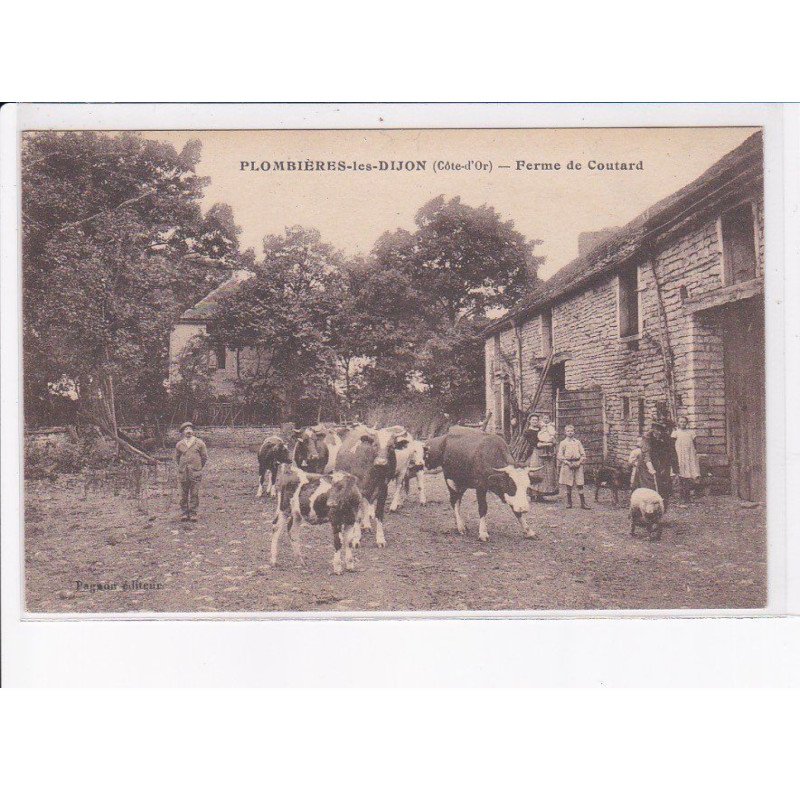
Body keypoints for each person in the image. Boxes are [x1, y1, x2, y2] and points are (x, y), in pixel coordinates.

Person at [175, 421, 208, 522]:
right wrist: (182, 467)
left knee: (194, 493)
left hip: (195, 472)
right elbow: (177, 458)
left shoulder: (199, 443)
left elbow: (204, 457)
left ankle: (193, 513)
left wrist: (197, 467)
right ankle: (184, 513)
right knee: (183, 494)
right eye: (185, 430)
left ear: (193, 431)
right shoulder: (179, 444)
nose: (188, 431)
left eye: (190, 429)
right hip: (183, 473)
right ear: (182, 433)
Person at [557, 424, 590, 509]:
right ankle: (569, 502)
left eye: (571, 431)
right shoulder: (563, 443)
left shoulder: (577, 442)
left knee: (580, 483)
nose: (570, 433)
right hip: (568, 464)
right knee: (569, 484)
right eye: (568, 431)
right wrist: (567, 462)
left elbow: (583, 454)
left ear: (574, 432)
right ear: (565, 432)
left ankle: (583, 503)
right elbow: (560, 455)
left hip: (578, 464)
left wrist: (579, 462)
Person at [646, 420, 674, 511]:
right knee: (649, 487)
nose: (658, 432)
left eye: (661, 430)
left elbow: (671, 453)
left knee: (663, 487)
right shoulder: (647, 438)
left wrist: (673, 468)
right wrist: (651, 468)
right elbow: (647, 455)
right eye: (656, 429)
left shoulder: (666, 439)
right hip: (647, 465)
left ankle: (661, 508)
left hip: (662, 465)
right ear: (653, 429)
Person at [672, 416, 700, 502]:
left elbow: (695, 444)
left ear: (687, 423)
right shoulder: (675, 433)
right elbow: (672, 445)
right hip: (679, 455)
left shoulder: (691, 433)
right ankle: (681, 496)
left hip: (689, 456)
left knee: (688, 475)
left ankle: (687, 496)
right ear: (678, 423)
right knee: (680, 475)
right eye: (681, 422)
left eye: (684, 422)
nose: (682, 423)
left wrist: (693, 453)